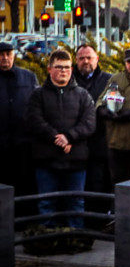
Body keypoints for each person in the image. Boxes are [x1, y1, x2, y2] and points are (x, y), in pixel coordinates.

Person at [25, 50, 96, 237]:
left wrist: (70, 137)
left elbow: (89, 123)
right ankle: (48, 239)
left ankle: (75, 238)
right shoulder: (38, 95)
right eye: (59, 67)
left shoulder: (83, 95)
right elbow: (35, 120)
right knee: (46, 203)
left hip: (76, 160)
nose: (63, 71)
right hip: (46, 159)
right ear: (49, 69)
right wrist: (57, 138)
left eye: (66, 67)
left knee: (76, 203)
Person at [72, 44, 112, 227]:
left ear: (97, 59)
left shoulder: (109, 80)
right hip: (73, 145)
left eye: (89, 57)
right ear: (76, 60)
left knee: (98, 185)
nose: (85, 61)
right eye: (81, 58)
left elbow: (115, 105)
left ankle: (97, 224)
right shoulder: (68, 78)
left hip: (99, 145)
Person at [97, 47, 130, 184]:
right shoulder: (116, 79)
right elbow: (101, 99)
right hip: (116, 141)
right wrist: (102, 109)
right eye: (129, 62)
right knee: (117, 183)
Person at [0, 40, 39, 195]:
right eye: (1, 55)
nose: (5, 58)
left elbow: (36, 105)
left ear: (14, 55)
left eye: (8, 54)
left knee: (24, 185)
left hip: (24, 144)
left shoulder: (28, 77)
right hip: (1, 144)